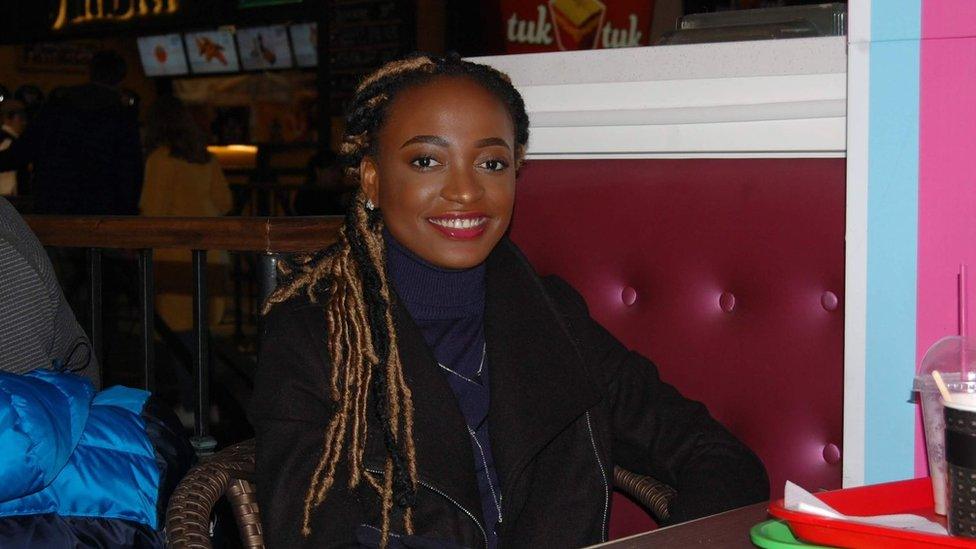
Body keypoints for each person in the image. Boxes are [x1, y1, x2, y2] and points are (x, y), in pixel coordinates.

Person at [251, 54, 769, 549]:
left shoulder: (548, 314)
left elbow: (717, 457)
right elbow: (311, 533)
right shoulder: (317, 332)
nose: (465, 191)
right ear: (372, 178)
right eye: (427, 160)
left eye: (491, 163)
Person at [0, 50, 143, 215]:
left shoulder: (56, 109)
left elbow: (20, 153)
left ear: (90, 72)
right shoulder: (122, 118)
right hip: (102, 214)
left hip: (53, 208)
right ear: (121, 77)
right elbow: (131, 175)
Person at [139, 95, 233, 335]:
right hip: (213, 253)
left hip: (175, 257)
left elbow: (153, 211)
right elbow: (225, 203)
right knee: (206, 333)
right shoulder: (205, 158)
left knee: (178, 335)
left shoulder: (160, 159)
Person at [0, 100, 28, 196]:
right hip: (7, 193)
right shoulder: (8, 141)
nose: (24, 123)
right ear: (8, 119)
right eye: (20, 119)